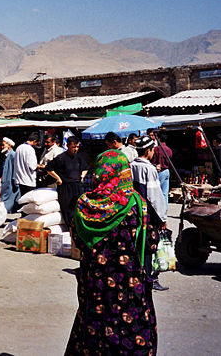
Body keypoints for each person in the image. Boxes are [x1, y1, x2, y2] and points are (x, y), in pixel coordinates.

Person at [65, 149, 158, 355]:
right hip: (130, 289)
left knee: (93, 337)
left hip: (95, 287)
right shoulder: (137, 205)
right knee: (130, 338)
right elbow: (151, 244)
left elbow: (78, 242)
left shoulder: (83, 207)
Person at [131, 135, 169, 292]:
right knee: (149, 246)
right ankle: (150, 278)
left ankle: (137, 275)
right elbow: (154, 196)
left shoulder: (131, 165)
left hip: (134, 211)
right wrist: (163, 217)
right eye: (153, 150)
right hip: (148, 214)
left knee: (137, 244)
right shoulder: (149, 168)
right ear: (148, 151)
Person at [45, 136, 87, 229]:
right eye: (73, 147)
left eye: (77, 147)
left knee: (78, 209)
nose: (75, 149)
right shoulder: (61, 158)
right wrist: (58, 178)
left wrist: (82, 175)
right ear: (67, 146)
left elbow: (85, 168)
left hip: (76, 186)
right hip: (65, 187)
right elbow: (48, 168)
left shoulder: (79, 158)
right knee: (67, 209)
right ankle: (69, 228)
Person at [151, 132, 172, 215]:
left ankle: (158, 210)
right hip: (166, 170)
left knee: (158, 192)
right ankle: (165, 209)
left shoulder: (156, 149)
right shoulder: (169, 149)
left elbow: (153, 161)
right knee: (165, 192)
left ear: (158, 139)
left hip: (159, 171)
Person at [0, 137, 20, 213]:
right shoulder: (5, 155)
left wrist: (15, 181)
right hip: (5, 181)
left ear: (9, 145)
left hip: (11, 181)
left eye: (3, 145)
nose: (1, 147)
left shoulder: (13, 155)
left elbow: (15, 169)